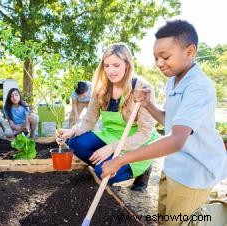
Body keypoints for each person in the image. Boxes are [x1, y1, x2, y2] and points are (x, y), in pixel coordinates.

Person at [101, 20, 227, 225]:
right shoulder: (173, 80)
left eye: (165, 57)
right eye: (156, 57)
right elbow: (171, 122)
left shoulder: (198, 87)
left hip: (195, 172)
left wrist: (120, 160)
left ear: (190, 51)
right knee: (164, 219)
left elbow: (177, 139)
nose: (159, 63)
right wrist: (148, 105)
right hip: (174, 166)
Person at [56, 43, 159, 191]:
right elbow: (89, 121)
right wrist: (72, 131)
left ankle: (141, 169)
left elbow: (145, 132)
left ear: (127, 65)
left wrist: (113, 147)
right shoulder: (101, 89)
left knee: (100, 172)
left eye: (116, 65)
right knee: (75, 143)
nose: (111, 71)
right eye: (107, 65)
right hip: (111, 134)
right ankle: (105, 166)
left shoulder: (142, 88)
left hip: (136, 140)